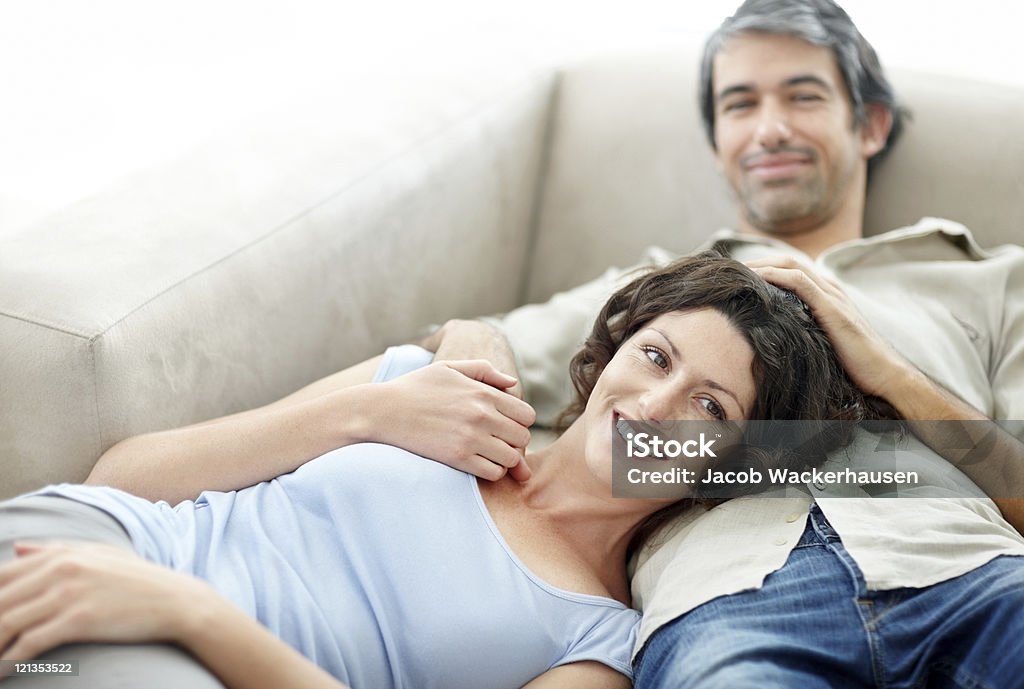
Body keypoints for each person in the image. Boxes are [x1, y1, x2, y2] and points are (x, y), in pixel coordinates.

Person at [418, 0, 1024, 686]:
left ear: (871, 124)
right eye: (740, 105)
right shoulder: (665, 288)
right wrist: (473, 338)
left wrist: (890, 374)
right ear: (718, 144)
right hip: (728, 598)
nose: (769, 128)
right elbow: (469, 346)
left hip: (968, 570)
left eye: (803, 96)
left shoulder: (991, 282)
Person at [0, 254, 878, 689]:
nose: (654, 404)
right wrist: (369, 410)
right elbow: (124, 474)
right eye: (655, 356)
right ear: (614, 350)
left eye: (711, 407)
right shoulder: (428, 391)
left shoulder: (601, 646)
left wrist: (188, 614)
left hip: (185, 657)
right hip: (89, 542)